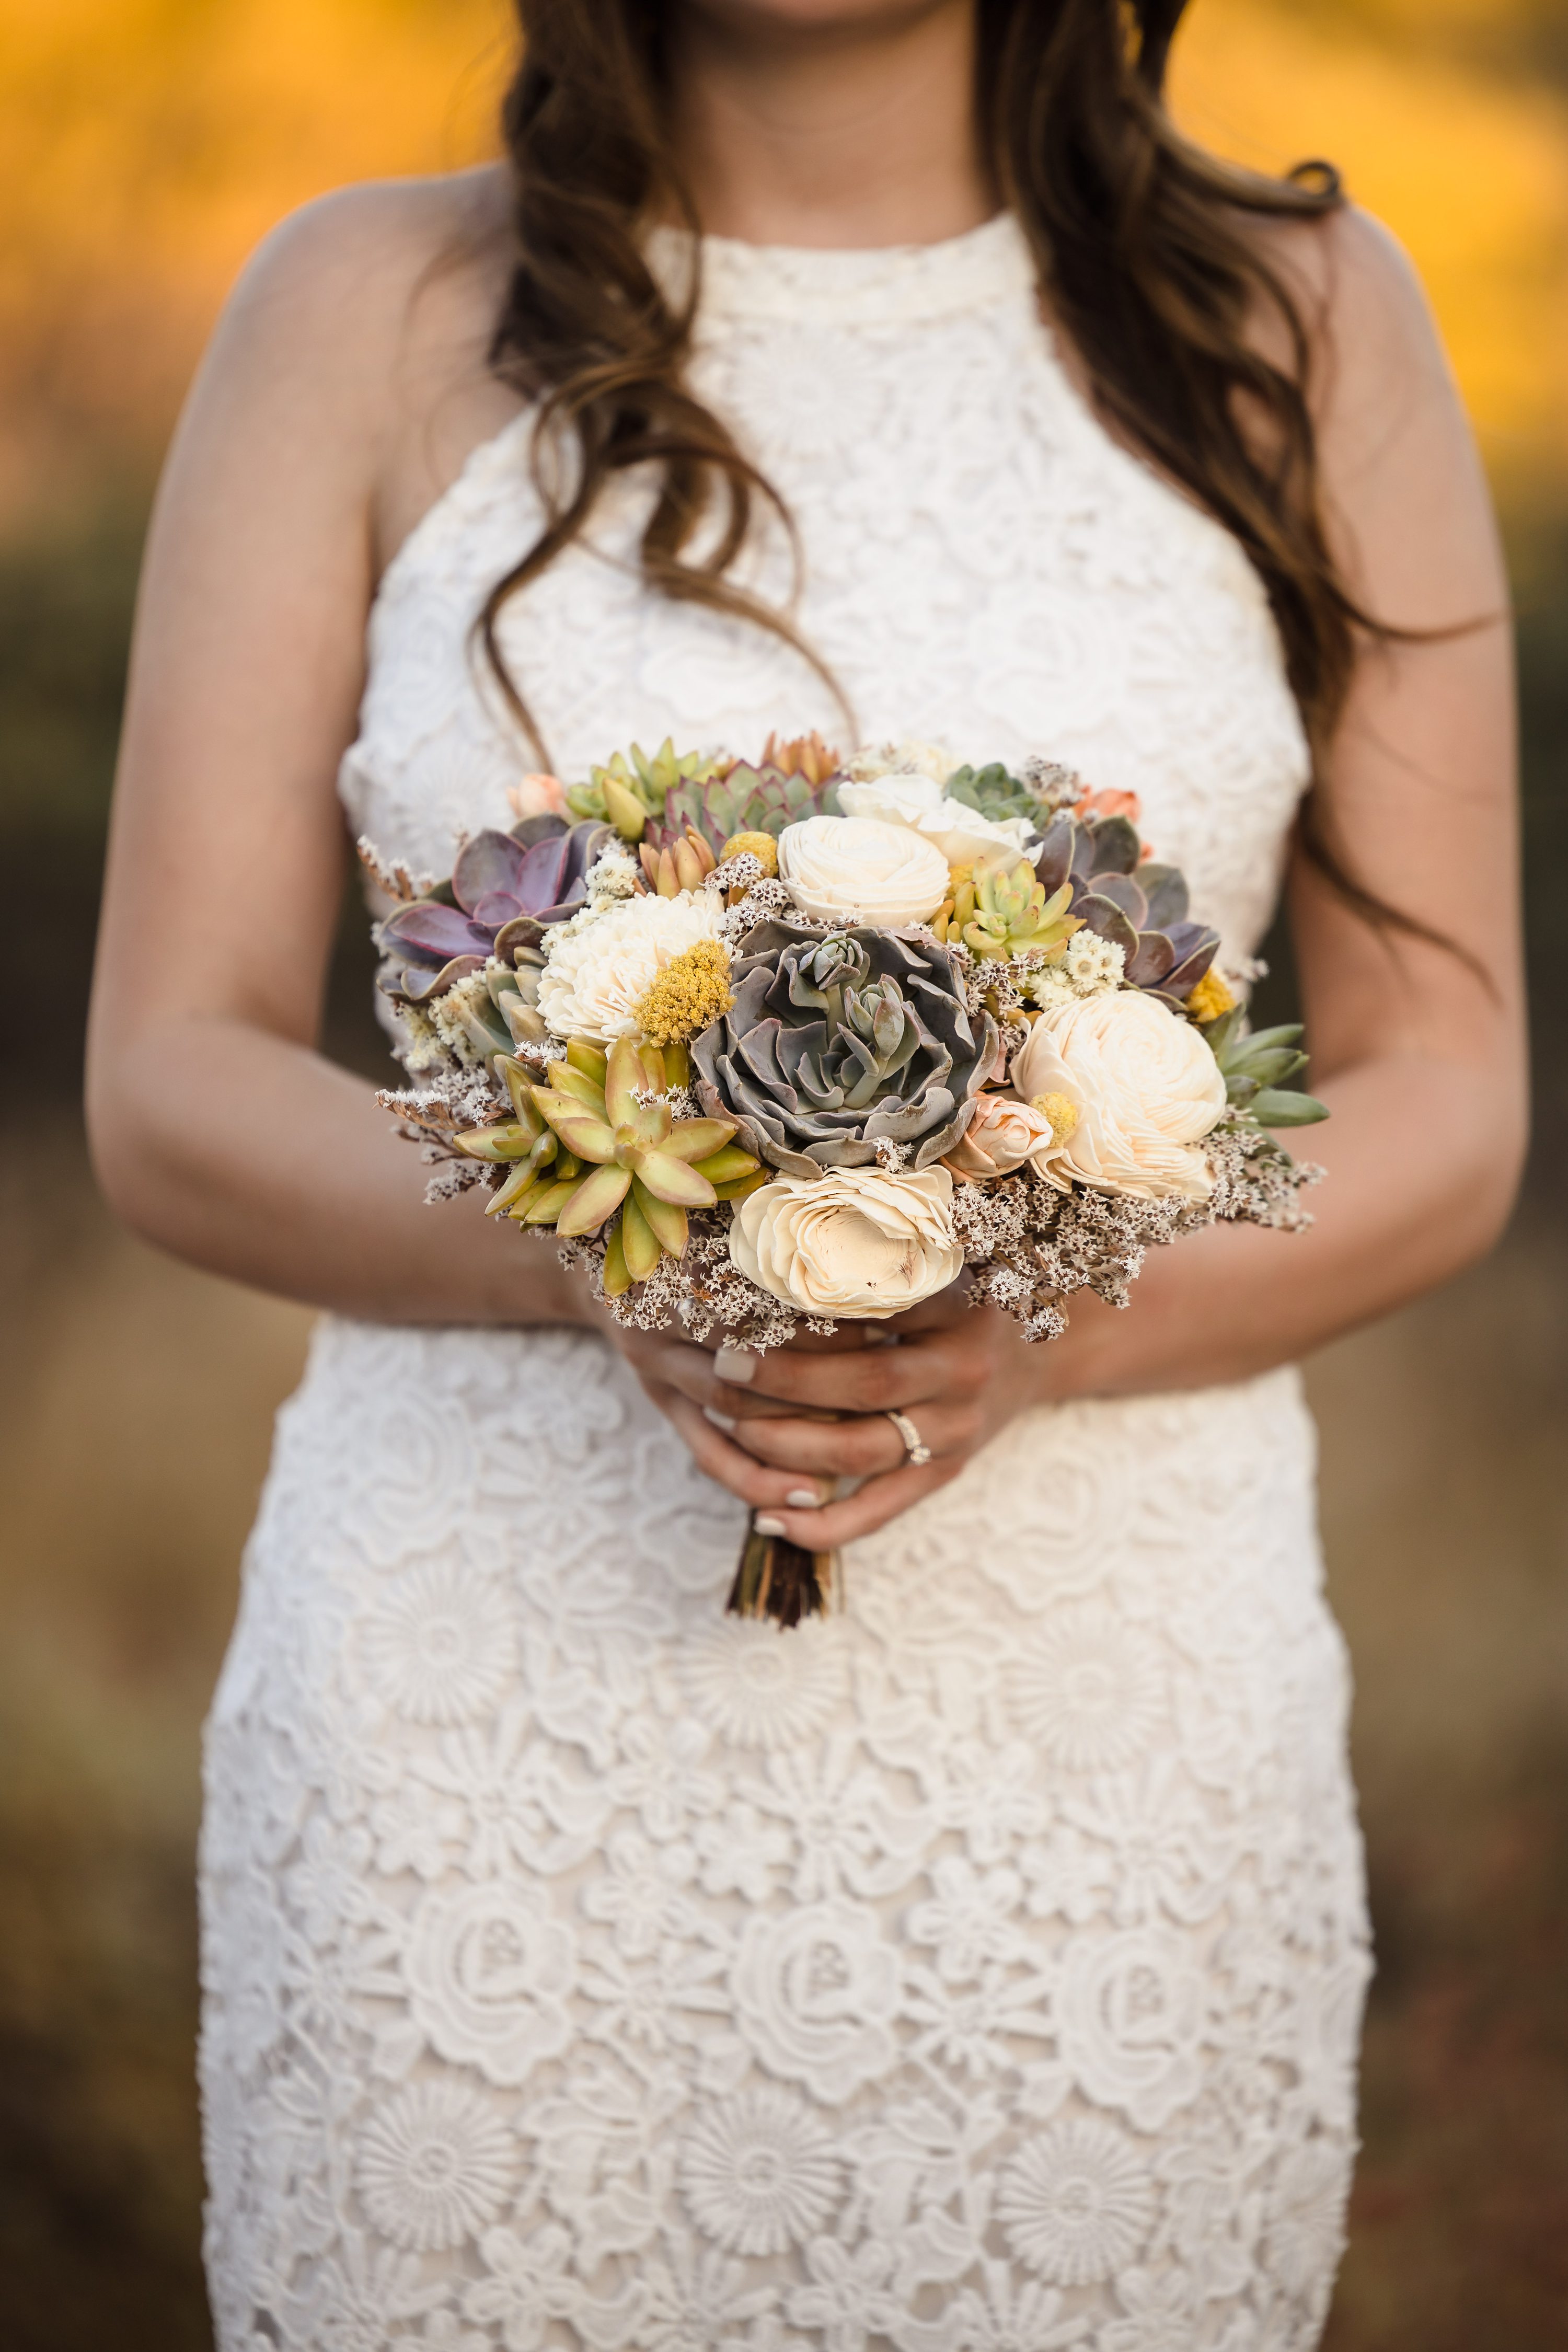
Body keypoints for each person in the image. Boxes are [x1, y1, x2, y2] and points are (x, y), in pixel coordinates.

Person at [86, 0, 1524, 2343]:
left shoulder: (1298, 322)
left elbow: (1450, 1089)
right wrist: (595, 1258)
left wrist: (1049, 1327)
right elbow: (168, 1074)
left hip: (1110, 1754)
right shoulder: (355, 309)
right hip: (482, 1757)